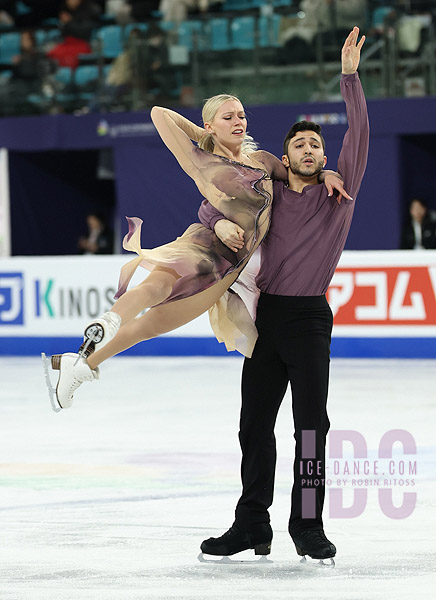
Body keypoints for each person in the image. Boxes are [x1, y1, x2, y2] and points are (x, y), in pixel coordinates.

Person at [45, 89, 347, 410]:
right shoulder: (201, 159)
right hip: (204, 247)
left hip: (230, 269)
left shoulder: (263, 160)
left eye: (241, 115)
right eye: (228, 117)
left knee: (154, 324)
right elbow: (159, 113)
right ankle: (108, 321)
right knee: (157, 285)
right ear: (210, 125)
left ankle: (79, 366)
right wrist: (205, 139)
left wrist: (327, 171)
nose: (238, 121)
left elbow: (301, 176)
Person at [197, 26, 369, 563]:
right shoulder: (267, 192)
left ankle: (308, 525)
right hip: (267, 318)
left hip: (310, 320)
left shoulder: (338, 198)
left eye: (317, 144)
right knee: (254, 425)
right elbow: (220, 198)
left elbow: (359, 133)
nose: (311, 149)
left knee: (311, 427)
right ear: (287, 157)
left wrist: (350, 78)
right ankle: (252, 523)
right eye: (301, 144)